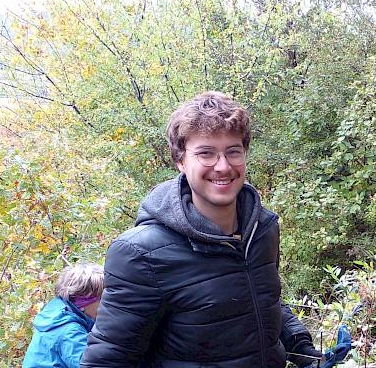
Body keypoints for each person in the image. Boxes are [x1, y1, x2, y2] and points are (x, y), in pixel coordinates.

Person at [81, 91, 326, 367]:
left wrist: (304, 351)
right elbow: (107, 360)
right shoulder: (141, 254)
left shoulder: (261, 229)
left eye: (233, 151)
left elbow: (261, 298)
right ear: (181, 161)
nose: (222, 166)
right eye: (206, 153)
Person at [23, 263, 104, 368]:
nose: (104, 306)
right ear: (83, 302)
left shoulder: (56, 315)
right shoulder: (70, 331)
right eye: (101, 299)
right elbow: (91, 365)